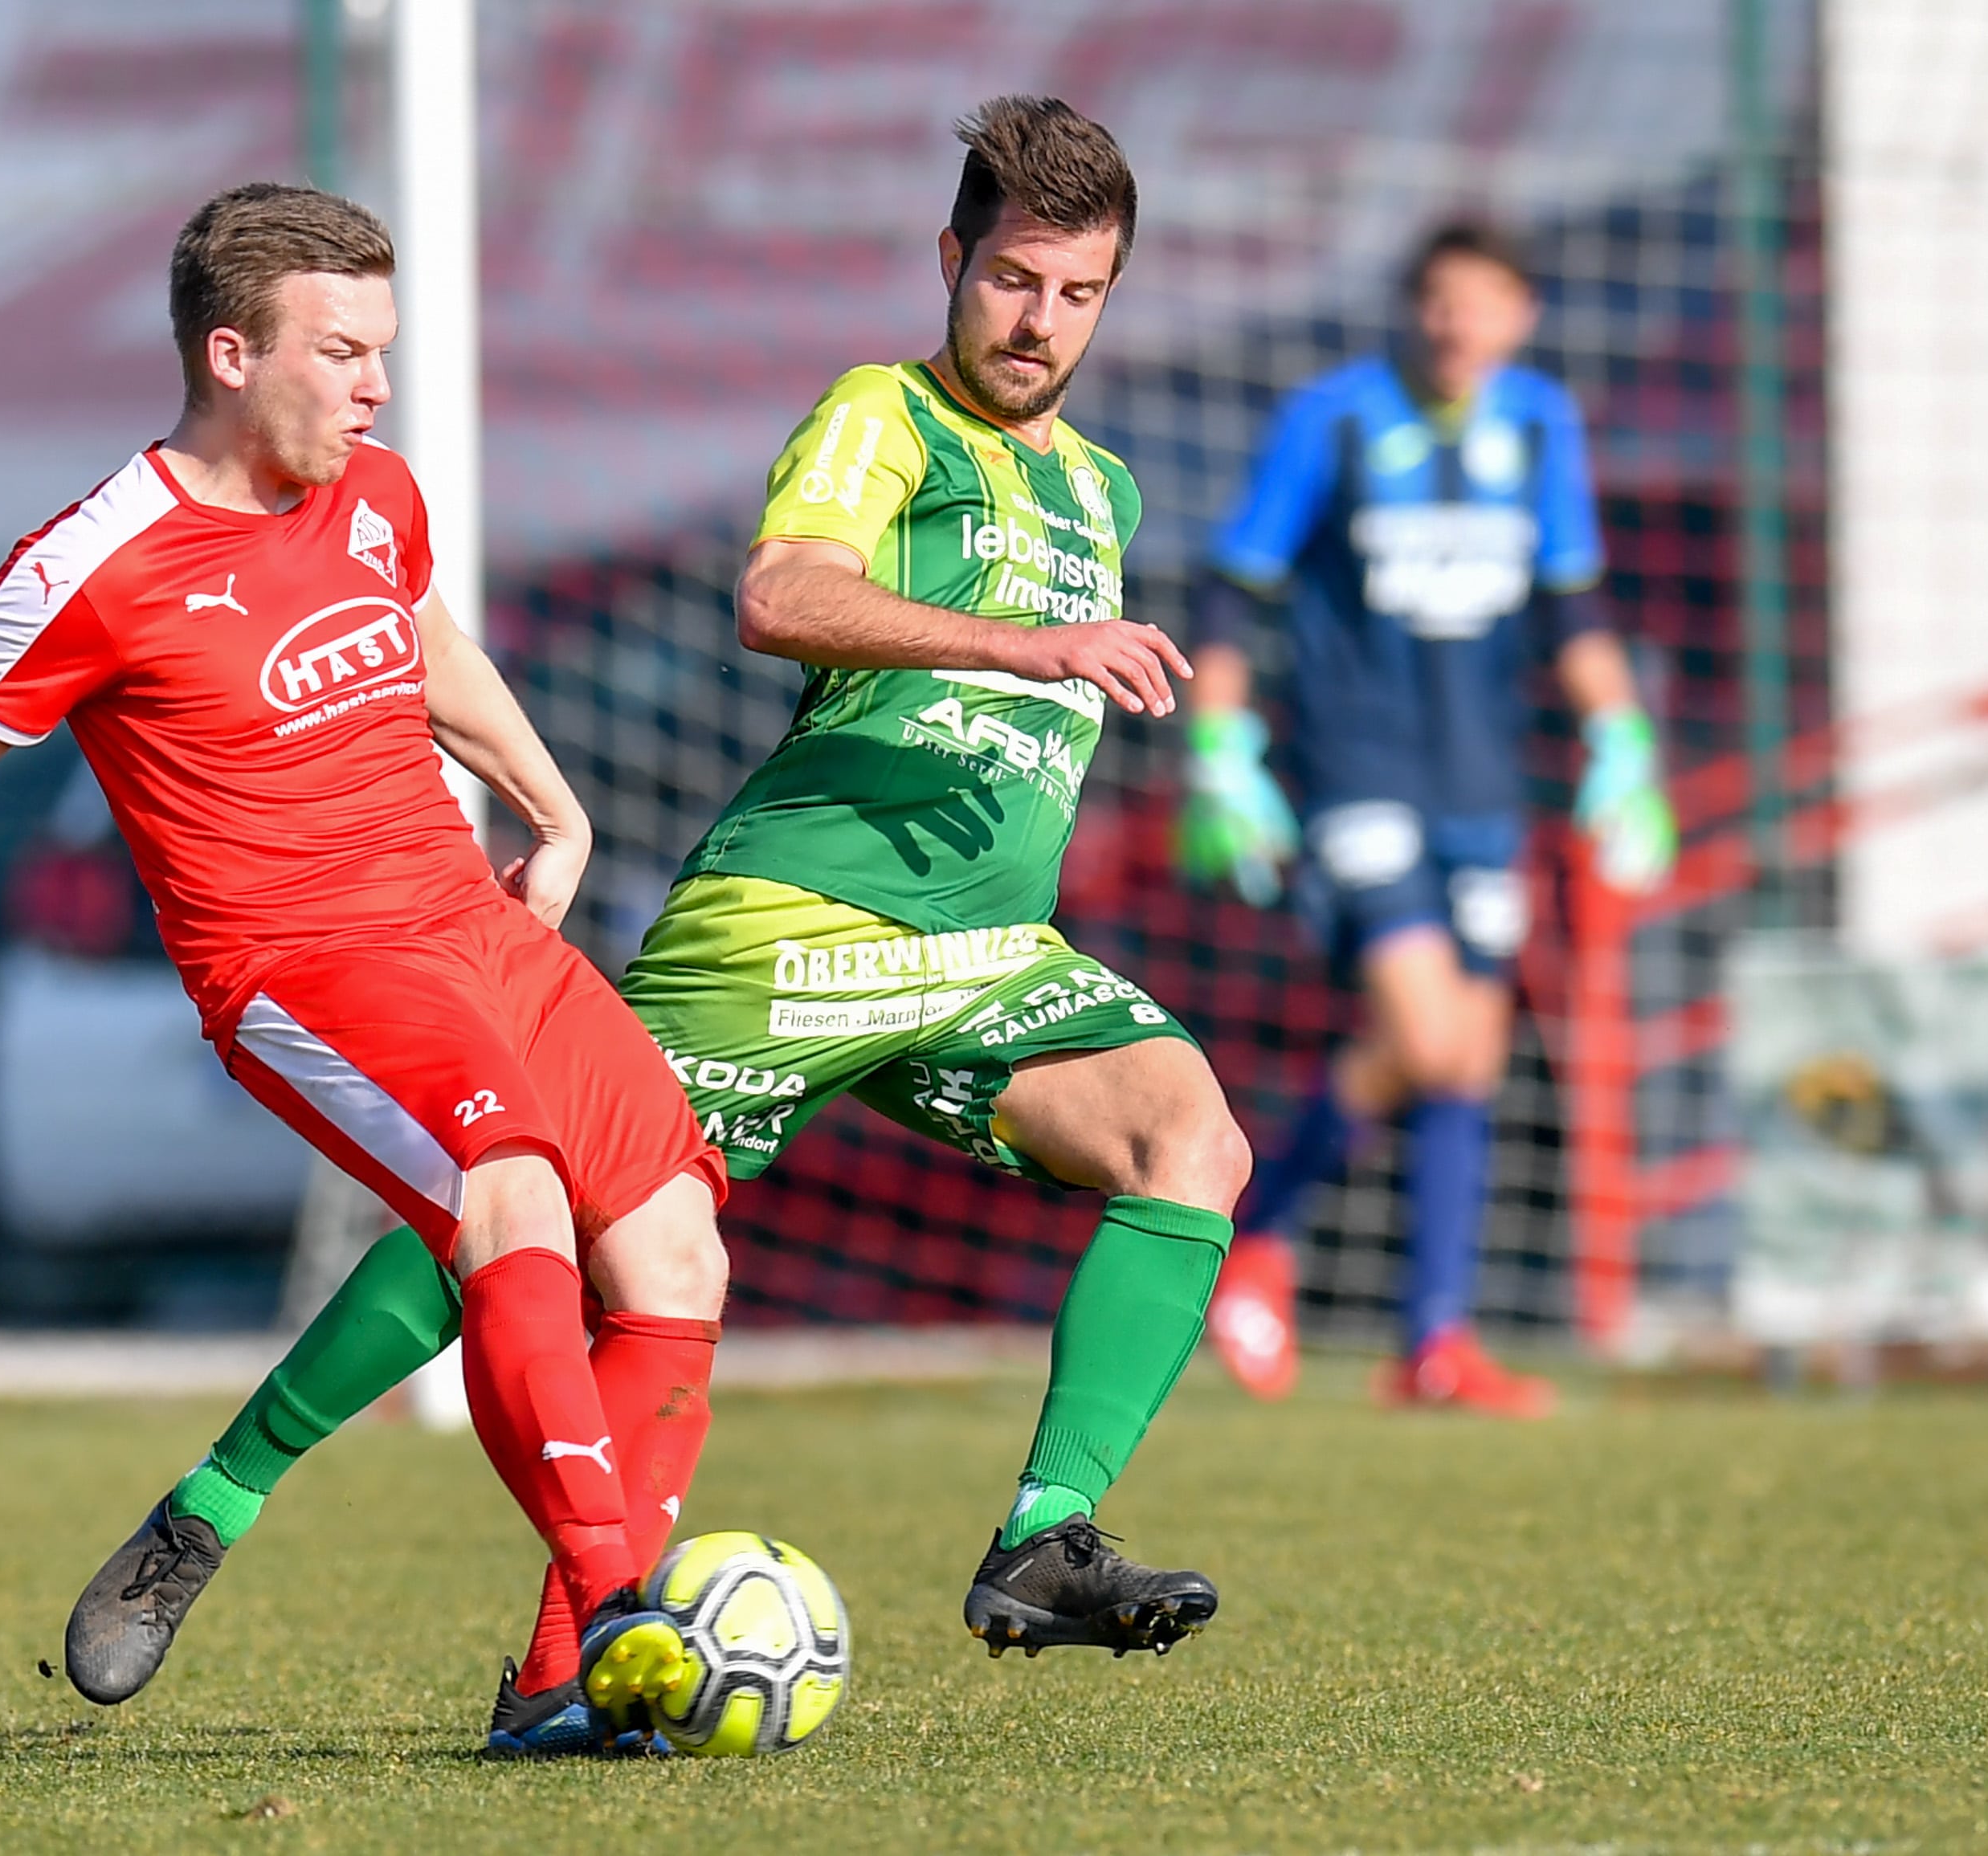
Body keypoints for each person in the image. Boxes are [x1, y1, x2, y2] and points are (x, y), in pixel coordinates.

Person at [78, 98, 1251, 1738]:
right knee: (524, 1222)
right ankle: (220, 1499)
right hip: (789, 930)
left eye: (1077, 293)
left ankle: (1043, 1537)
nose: (1037, 322)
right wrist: (1027, 646)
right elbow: (782, 593)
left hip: (988, 956)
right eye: (1010, 280)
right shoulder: (885, 415)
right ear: (951, 260)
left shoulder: (1101, 490)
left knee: (1189, 1141)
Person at [0, 183, 730, 1752]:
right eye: (341, 352)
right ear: (230, 353)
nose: (376, 385)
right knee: (512, 1201)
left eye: (384, 350)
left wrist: (555, 809)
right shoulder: (93, 561)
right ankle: (622, 1612)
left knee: (676, 1248)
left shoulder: (375, 495)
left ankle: (542, 1675)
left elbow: (428, 647)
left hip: (470, 926)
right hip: (306, 967)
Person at [1177, 220, 1678, 1413]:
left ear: (1523, 317)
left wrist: (1625, 744)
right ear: (1412, 309)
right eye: (1442, 301)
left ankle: (1435, 1346)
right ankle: (1256, 1237)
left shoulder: (1541, 424)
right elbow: (1235, 590)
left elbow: (1573, 608)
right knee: (1423, 1036)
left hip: (1483, 785)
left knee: (1470, 1061)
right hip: (1357, 772)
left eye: (1486, 303)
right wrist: (1218, 749)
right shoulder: (1334, 418)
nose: (1461, 326)